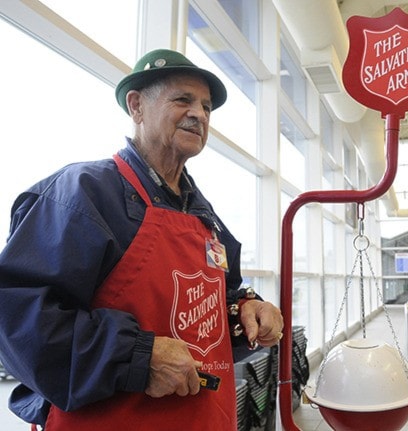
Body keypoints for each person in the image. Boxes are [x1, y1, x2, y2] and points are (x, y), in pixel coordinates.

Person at [0, 48, 283, 430]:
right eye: (183, 99)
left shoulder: (204, 215)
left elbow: (214, 300)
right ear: (136, 106)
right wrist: (139, 356)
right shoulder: (81, 195)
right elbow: (19, 320)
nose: (199, 114)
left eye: (206, 106)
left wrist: (246, 312)